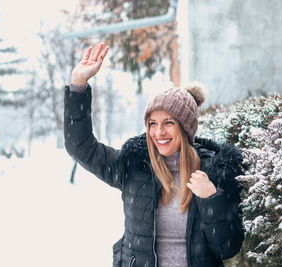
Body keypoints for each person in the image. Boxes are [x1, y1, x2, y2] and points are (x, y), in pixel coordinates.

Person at [64, 42, 245, 267]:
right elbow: (80, 146)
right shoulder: (134, 166)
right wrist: (78, 86)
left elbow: (227, 248)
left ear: (185, 127)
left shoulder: (213, 171)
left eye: (168, 123)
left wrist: (211, 198)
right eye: (153, 123)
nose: (159, 132)